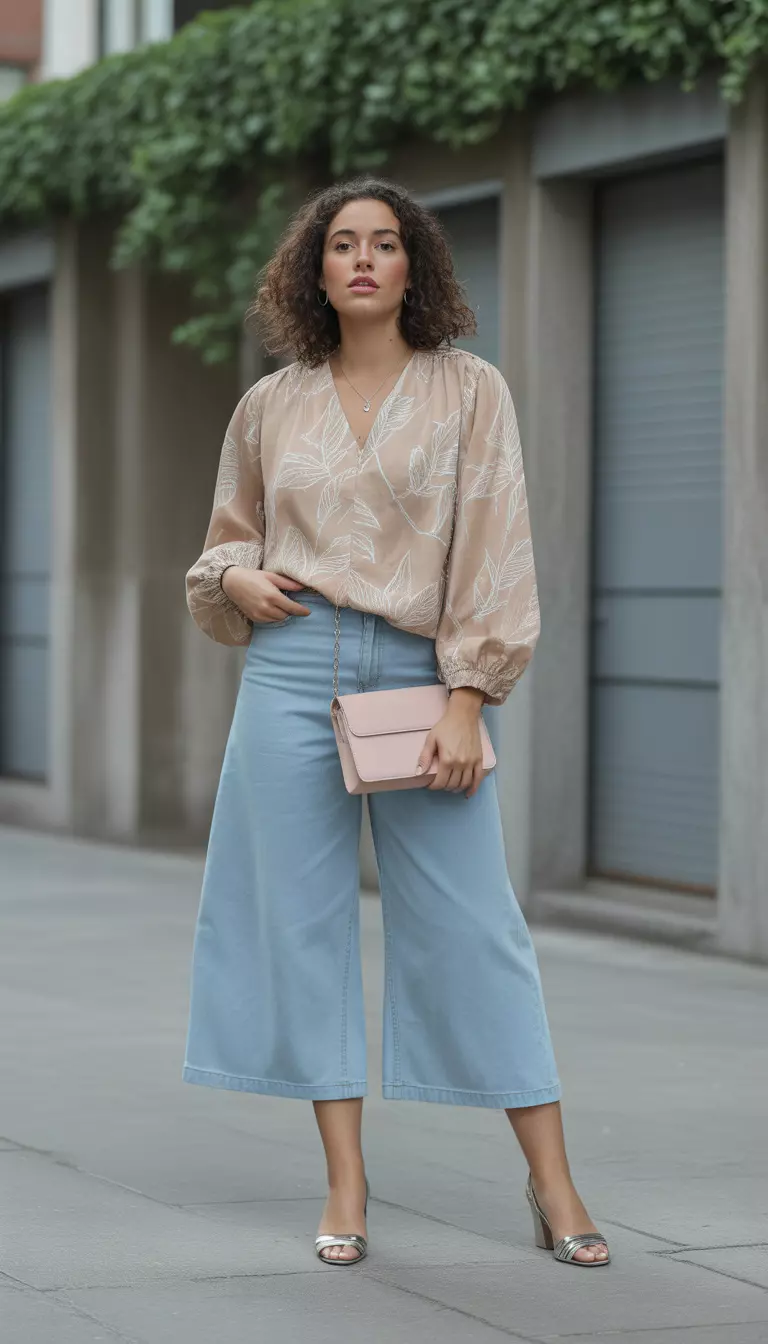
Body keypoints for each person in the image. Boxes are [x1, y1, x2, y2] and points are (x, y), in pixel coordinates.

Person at [182, 177, 610, 1269]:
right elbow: (224, 539)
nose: (363, 258)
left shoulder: (470, 391)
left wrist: (471, 695)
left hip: (421, 674)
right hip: (287, 671)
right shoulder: (272, 403)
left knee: (476, 927)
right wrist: (234, 582)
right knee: (301, 925)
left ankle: (553, 1180)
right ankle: (346, 1182)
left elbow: (499, 541)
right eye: (342, 244)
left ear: (415, 264)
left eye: (384, 243)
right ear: (314, 271)